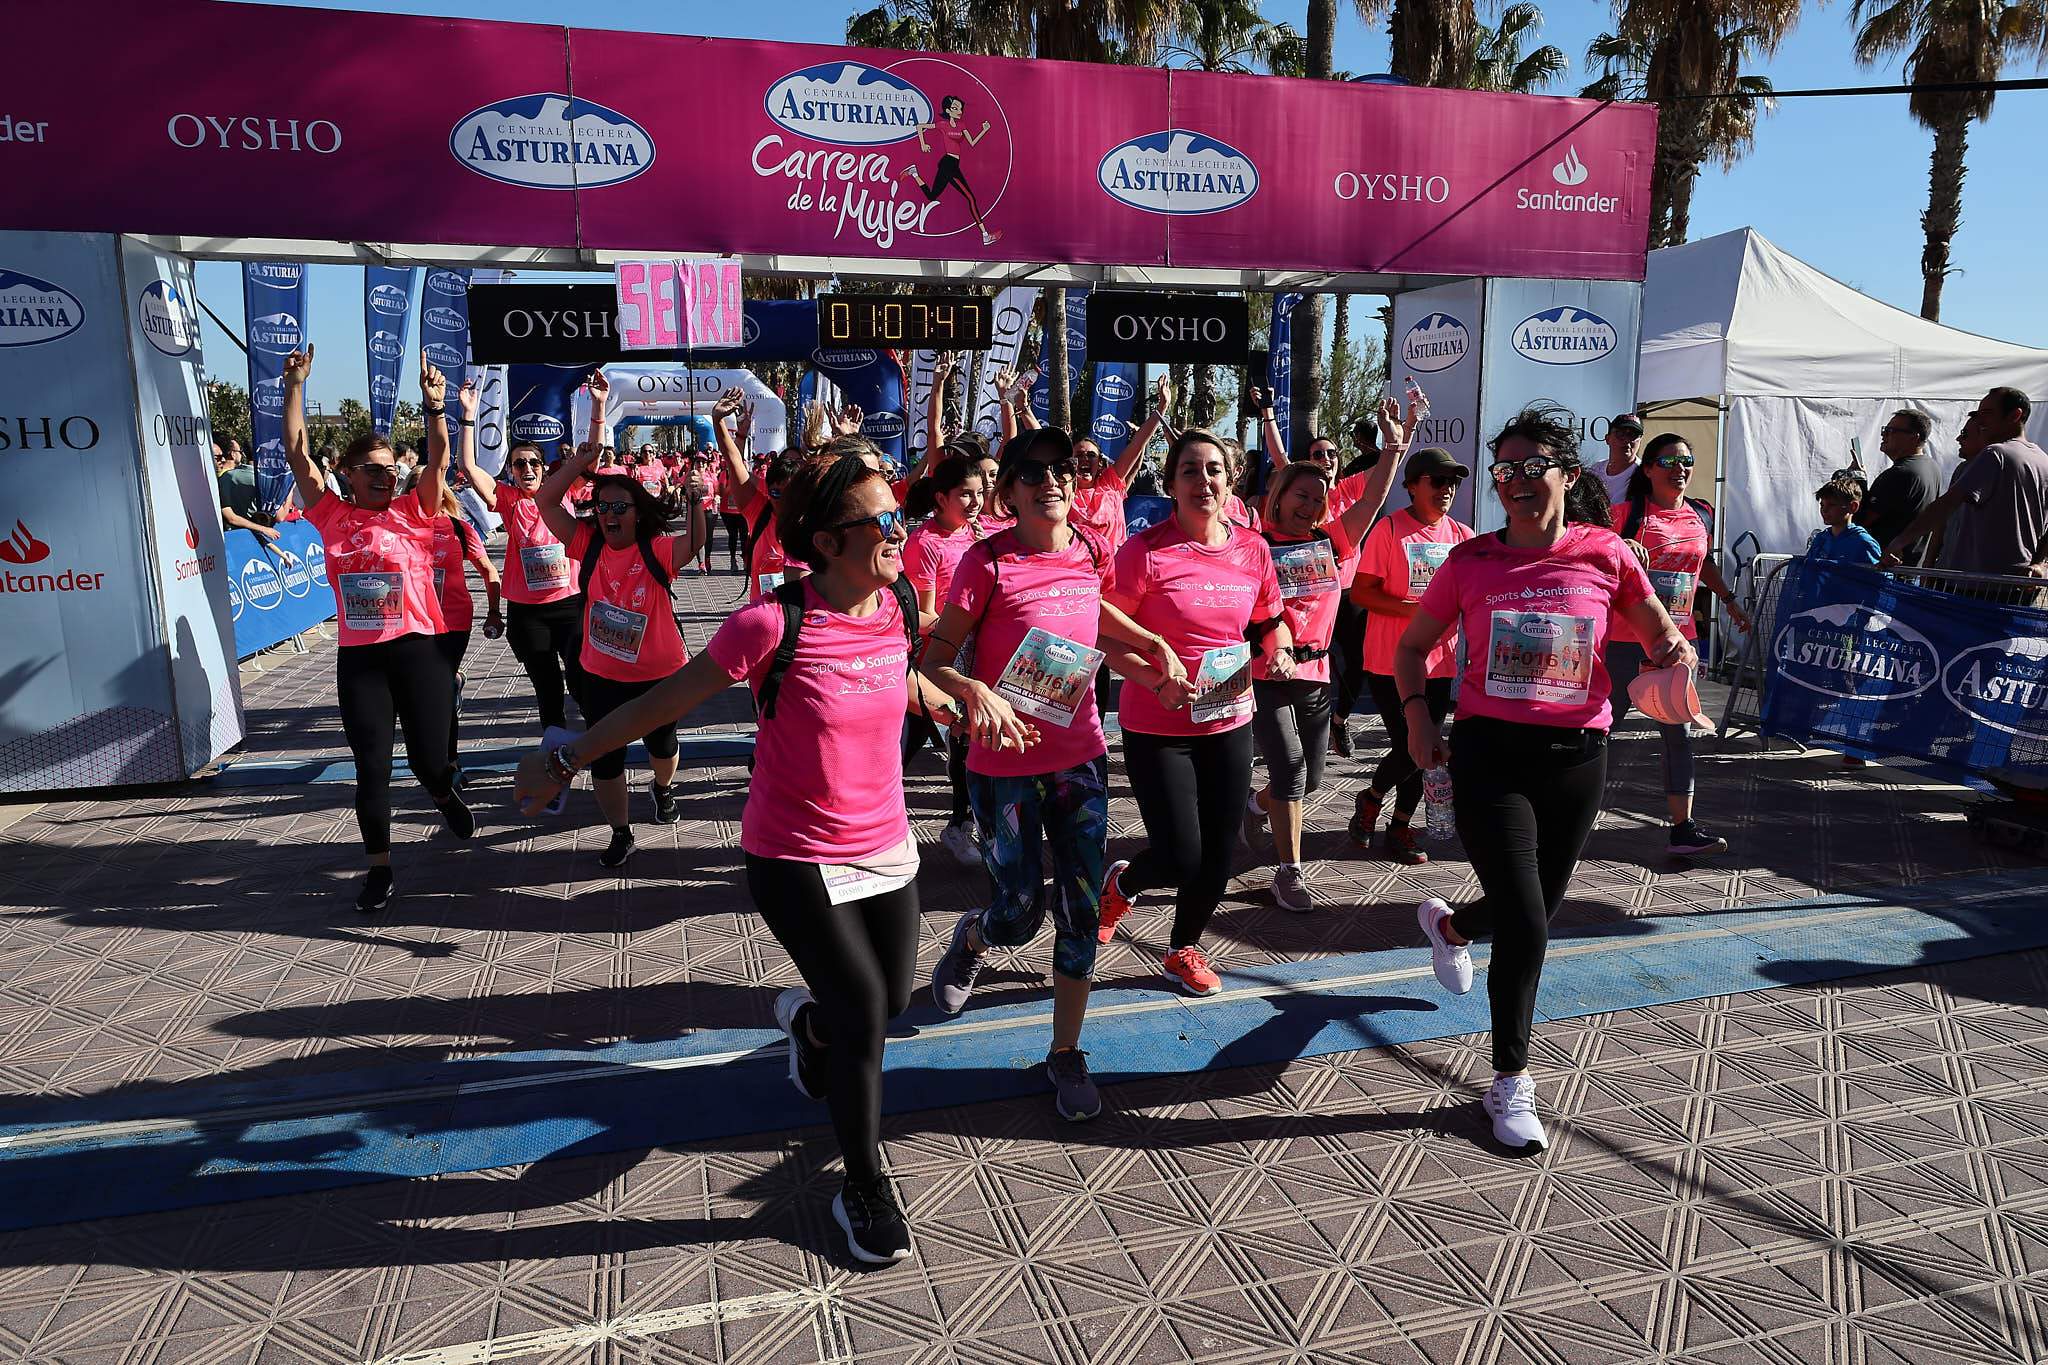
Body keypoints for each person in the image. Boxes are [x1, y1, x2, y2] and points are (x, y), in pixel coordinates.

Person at [515, 453, 971, 1265]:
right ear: (828, 541)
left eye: (899, 519)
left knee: (889, 1000)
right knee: (867, 1013)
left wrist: (959, 697)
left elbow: (895, 677)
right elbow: (665, 700)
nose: (899, 533)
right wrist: (568, 757)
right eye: (884, 523)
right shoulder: (770, 623)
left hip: (885, 843)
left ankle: (807, 1024)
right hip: (793, 852)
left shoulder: (896, 602)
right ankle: (862, 1184)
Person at [1397, 403, 1692, 1153]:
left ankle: (1452, 925)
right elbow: (1413, 648)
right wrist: (1418, 718)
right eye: (1505, 471)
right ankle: (1509, 1080)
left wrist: (1672, 649)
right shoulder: (1471, 561)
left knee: (1530, 906)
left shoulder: (1607, 552)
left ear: (1566, 471)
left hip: (1577, 758)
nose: (1519, 482)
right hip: (1490, 753)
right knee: (1528, 920)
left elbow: (1655, 623)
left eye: (1534, 467)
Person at [918, 428, 1186, 1116]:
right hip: (1003, 769)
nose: (1052, 480)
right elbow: (936, 655)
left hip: (1080, 762)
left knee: (1077, 909)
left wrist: (1149, 649)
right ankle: (976, 935)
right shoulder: (986, 562)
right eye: (1032, 472)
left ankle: (1065, 1052)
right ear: (1007, 492)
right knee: (1020, 912)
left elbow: (1088, 616)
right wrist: (976, 691)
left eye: (1062, 469)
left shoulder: (1087, 549)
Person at [1096, 429, 1291, 997]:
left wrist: (1279, 650)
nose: (1202, 480)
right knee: (1181, 852)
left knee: (1218, 849)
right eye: (1189, 470)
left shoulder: (1252, 548)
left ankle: (1183, 946)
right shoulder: (1144, 551)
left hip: (1229, 715)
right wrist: (1157, 679)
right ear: (1172, 483)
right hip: (1158, 724)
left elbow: (1267, 620)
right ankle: (1124, 882)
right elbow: (1105, 635)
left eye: (1213, 470)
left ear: (1230, 482)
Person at [283, 344, 473, 912]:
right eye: (373, 471)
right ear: (347, 473)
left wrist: (435, 406)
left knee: (428, 761)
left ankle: (442, 790)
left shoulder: (415, 511)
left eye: (391, 471)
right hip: (362, 659)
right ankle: (379, 868)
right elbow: (297, 454)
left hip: (419, 650)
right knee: (372, 766)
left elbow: (438, 460)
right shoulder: (333, 514)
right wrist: (295, 385)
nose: (385, 479)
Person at [1243, 400, 1407, 908]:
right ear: (1278, 495)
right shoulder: (1252, 545)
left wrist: (1393, 447)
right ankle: (1289, 871)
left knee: (1311, 778)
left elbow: (1370, 502)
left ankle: (1258, 804)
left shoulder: (1332, 541)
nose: (1309, 505)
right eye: (1299, 495)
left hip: (1316, 673)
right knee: (1290, 763)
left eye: (1317, 498)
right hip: (1264, 670)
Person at [529, 442, 706, 867]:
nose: (609, 514)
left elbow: (695, 541)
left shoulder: (657, 549)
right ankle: (621, 832)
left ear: (638, 513)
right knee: (606, 758)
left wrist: (697, 499)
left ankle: (662, 788)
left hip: (660, 674)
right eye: (602, 506)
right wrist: (577, 464)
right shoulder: (586, 543)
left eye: (620, 508)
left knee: (663, 746)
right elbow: (545, 500)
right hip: (601, 674)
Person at [1604, 433, 1750, 856]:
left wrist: (1729, 601)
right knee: (1601, 730)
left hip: (1677, 643)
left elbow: (1703, 563)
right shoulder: (1626, 513)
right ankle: (1561, 812)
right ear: (1647, 469)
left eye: (1687, 461)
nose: (1680, 469)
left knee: (1678, 735)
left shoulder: (1699, 515)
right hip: (1625, 640)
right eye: (1669, 462)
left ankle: (1683, 828)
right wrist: (1621, 547)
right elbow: (1592, 551)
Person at [1348, 446, 1476, 864]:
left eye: (1452, 483)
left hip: (1440, 663)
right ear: (1411, 486)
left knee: (1426, 749)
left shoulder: (1462, 537)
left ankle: (1394, 820)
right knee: (1411, 746)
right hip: (1390, 661)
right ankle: (1373, 803)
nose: (1447, 490)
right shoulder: (1390, 530)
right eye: (1437, 481)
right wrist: (1419, 613)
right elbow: (1362, 592)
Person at [451, 384, 587, 777]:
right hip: (529, 614)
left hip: (570, 607)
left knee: (581, 683)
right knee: (548, 691)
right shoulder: (509, 500)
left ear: (545, 468)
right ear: (510, 471)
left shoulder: (562, 491)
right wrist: (468, 415)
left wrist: (596, 407)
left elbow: (590, 454)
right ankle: (557, 761)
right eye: (518, 464)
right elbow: (469, 468)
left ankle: (600, 748)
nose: (526, 469)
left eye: (532, 463)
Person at [903, 454, 989, 866]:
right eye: (965, 495)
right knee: (899, 748)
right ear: (941, 497)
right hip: (936, 659)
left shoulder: (979, 535)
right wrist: (961, 626)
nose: (975, 502)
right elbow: (923, 617)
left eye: (979, 493)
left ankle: (960, 825)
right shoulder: (925, 542)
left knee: (963, 739)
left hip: (974, 655)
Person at [1883, 389, 2046, 584]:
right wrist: (2038, 564)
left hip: (1974, 586)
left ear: (2015, 415)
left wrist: (1900, 541)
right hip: (2014, 585)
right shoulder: (2043, 460)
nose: (1981, 421)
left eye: (1987, 413)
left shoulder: (1995, 454)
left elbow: (1946, 505)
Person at [428, 476, 501, 788]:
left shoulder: (459, 528)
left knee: (440, 693)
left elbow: (487, 569)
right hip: (413, 623)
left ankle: (450, 762)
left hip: (453, 619)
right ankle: (454, 680)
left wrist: (495, 611)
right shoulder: (398, 529)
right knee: (429, 690)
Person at [901, 95, 1001, 246]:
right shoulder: (943, 124)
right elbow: (919, 126)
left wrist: (984, 130)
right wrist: (923, 144)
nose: (959, 111)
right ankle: (985, 235)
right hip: (948, 164)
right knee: (970, 198)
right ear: (948, 110)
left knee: (932, 196)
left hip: (953, 164)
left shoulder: (962, 125)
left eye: (960, 108)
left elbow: (972, 143)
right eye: (955, 108)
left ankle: (914, 173)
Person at [1854, 409, 1941, 567]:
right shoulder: (1931, 466)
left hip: (1885, 569)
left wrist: (1856, 483)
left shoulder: (1899, 473)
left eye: (1891, 431)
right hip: (1911, 568)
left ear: (1913, 438)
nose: (1884, 435)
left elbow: (1861, 521)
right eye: (1884, 430)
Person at [1806, 477, 1884, 564]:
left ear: (1853, 507)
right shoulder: (1821, 539)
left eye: (1831, 505)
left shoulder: (1863, 542)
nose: (1824, 510)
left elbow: (1878, 575)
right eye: (1822, 505)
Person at [214, 440, 277, 541]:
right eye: (218, 457)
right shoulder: (226, 478)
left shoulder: (227, 476)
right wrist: (262, 529)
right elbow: (230, 517)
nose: (223, 460)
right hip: (235, 537)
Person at [1591, 413, 1645, 505]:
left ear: (1640, 440)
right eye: (1620, 434)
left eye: (1633, 435)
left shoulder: (1644, 475)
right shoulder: (1595, 470)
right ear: (1607, 439)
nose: (1627, 440)